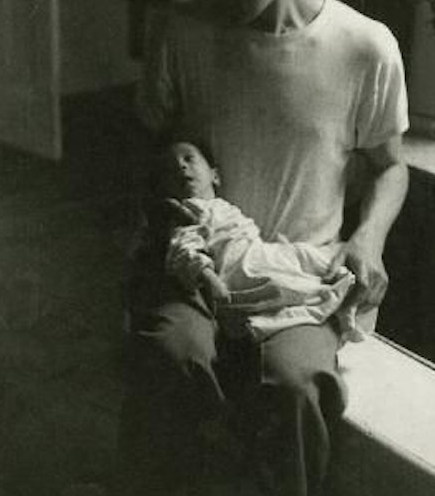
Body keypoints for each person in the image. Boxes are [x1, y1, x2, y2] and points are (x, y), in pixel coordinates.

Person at [119, 0, 409, 496]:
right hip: (199, 258)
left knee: (294, 389)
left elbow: (390, 165)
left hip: (296, 278)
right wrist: (172, 215)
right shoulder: (180, 30)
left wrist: (368, 239)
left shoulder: (364, 46)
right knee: (172, 357)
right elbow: (153, 147)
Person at [143, 138, 367, 344]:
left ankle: (346, 294)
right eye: (170, 169)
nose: (181, 167)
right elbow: (185, 247)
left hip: (258, 250)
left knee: (307, 257)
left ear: (215, 175)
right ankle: (337, 301)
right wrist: (208, 277)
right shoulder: (187, 212)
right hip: (238, 263)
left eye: (189, 158)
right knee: (286, 282)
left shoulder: (221, 205)